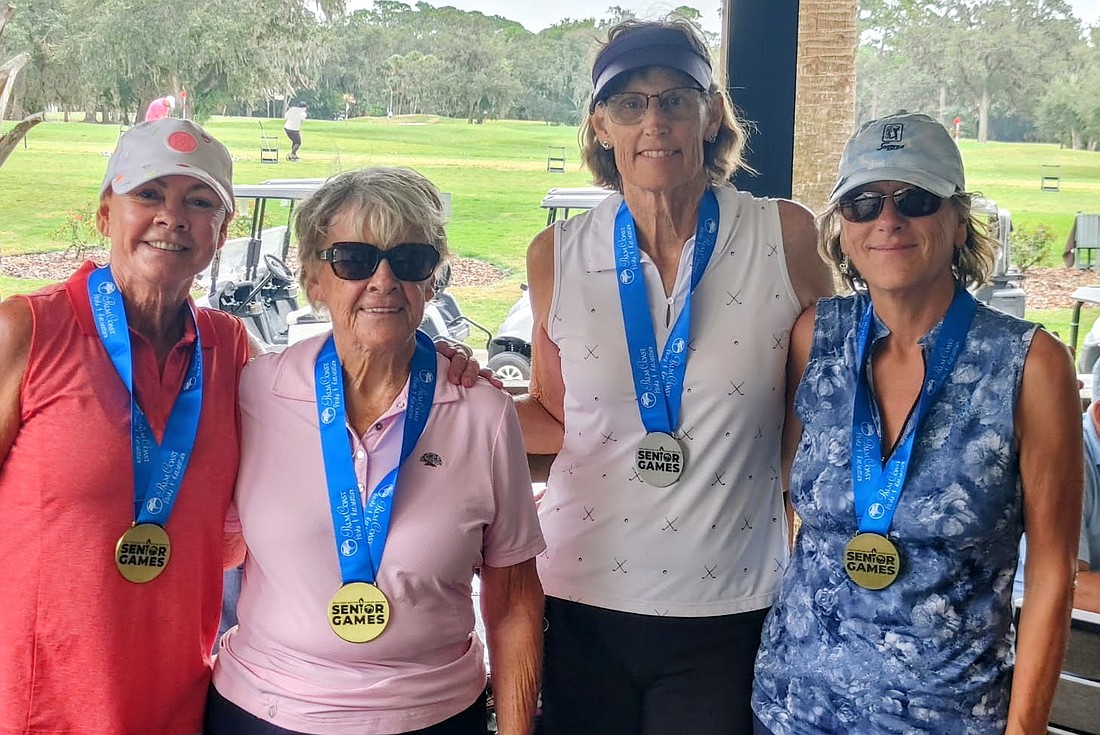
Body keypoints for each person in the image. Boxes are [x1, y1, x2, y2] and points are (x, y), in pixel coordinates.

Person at [0, 120, 487, 735]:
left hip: (176, 692)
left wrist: (434, 358)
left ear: (220, 232)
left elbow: (339, 382)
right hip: (35, 695)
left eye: (198, 202)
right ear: (104, 215)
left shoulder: (229, 349)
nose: (172, 217)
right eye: (148, 194)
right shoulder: (27, 331)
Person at [514, 18, 832, 735]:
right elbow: (556, 419)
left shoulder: (782, 234)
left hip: (728, 602)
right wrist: (446, 403)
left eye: (675, 99)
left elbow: (824, 404)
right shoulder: (556, 255)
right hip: (579, 594)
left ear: (711, 113)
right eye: (629, 103)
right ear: (599, 125)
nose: (653, 120)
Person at [751, 111, 1083, 734]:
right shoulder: (813, 339)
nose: (888, 219)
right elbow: (791, 498)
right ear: (842, 231)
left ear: (959, 224)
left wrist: (1026, 727)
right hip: (793, 708)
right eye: (864, 202)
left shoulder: (1029, 365)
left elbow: (1051, 570)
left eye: (916, 199)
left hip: (950, 718)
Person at [207, 166, 546, 735]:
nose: (383, 280)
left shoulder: (481, 413)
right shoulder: (253, 391)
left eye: (409, 259)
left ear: (432, 281)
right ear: (315, 278)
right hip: (265, 710)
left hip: (432, 716)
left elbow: (513, 600)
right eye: (354, 260)